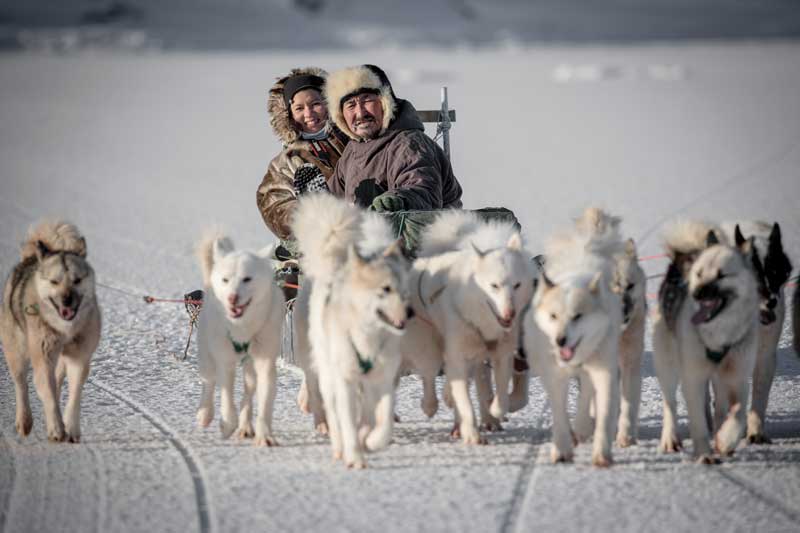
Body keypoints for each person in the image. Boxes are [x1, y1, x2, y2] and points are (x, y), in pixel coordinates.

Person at [256, 67, 349, 299]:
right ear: (287, 115)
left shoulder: (354, 143)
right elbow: (273, 204)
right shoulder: (285, 162)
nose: (309, 113)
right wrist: (305, 214)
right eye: (299, 108)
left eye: (316, 103)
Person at [324, 64, 462, 212]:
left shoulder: (408, 143)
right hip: (368, 233)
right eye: (351, 105)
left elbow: (422, 190)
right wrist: (315, 199)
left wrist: (398, 201)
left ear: (385, 102)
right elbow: (333, 199)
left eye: (367, 100)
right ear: (341, 115)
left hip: (421, 233)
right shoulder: (352, 151)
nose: (360, 113)